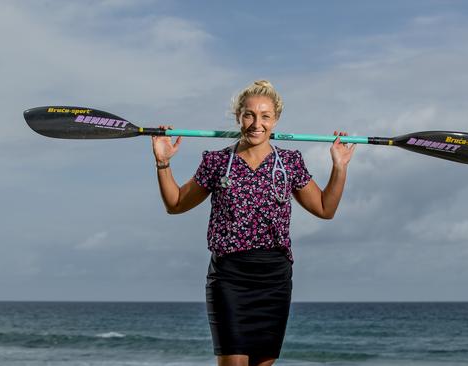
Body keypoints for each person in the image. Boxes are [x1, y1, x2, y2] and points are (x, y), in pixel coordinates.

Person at [151, 80, 355, 366]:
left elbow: (325, 208)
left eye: (265, 116)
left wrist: (339, 167)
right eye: (249, 114)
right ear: (239, 117)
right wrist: (163, 164)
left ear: (276, 120)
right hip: (230, 276)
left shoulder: (290, 162)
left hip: (274, 277)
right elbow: (175, 204)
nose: (256, 123)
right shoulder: (217, 162)